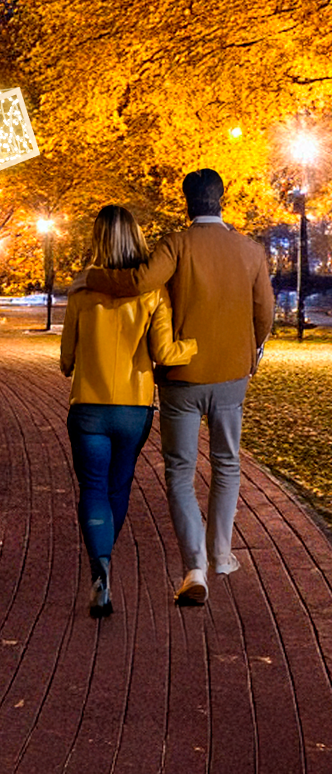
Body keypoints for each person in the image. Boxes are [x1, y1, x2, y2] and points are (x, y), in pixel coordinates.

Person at [86, 170, 274, 606]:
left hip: (181, 378)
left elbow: (137, 283)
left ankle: (195, 567)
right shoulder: (250, 250)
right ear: (222, 199)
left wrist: (94, 278)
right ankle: (222, 554)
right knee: (227, 464)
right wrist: (251, 354)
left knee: (180, 472)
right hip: (231, 375)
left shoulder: (176, 244)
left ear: (187, 201)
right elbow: (264, 314)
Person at [61, 205, 196, 618]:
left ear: (97, 239)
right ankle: (106, 560)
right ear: (136, 237)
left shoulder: (82, 290)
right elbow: (164, 352)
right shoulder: (152, 292)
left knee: (93, 489)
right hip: (134, 409)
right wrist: (195, 347)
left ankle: (99, 567)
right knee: (118, 488)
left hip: (88, 407)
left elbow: (66, 359)